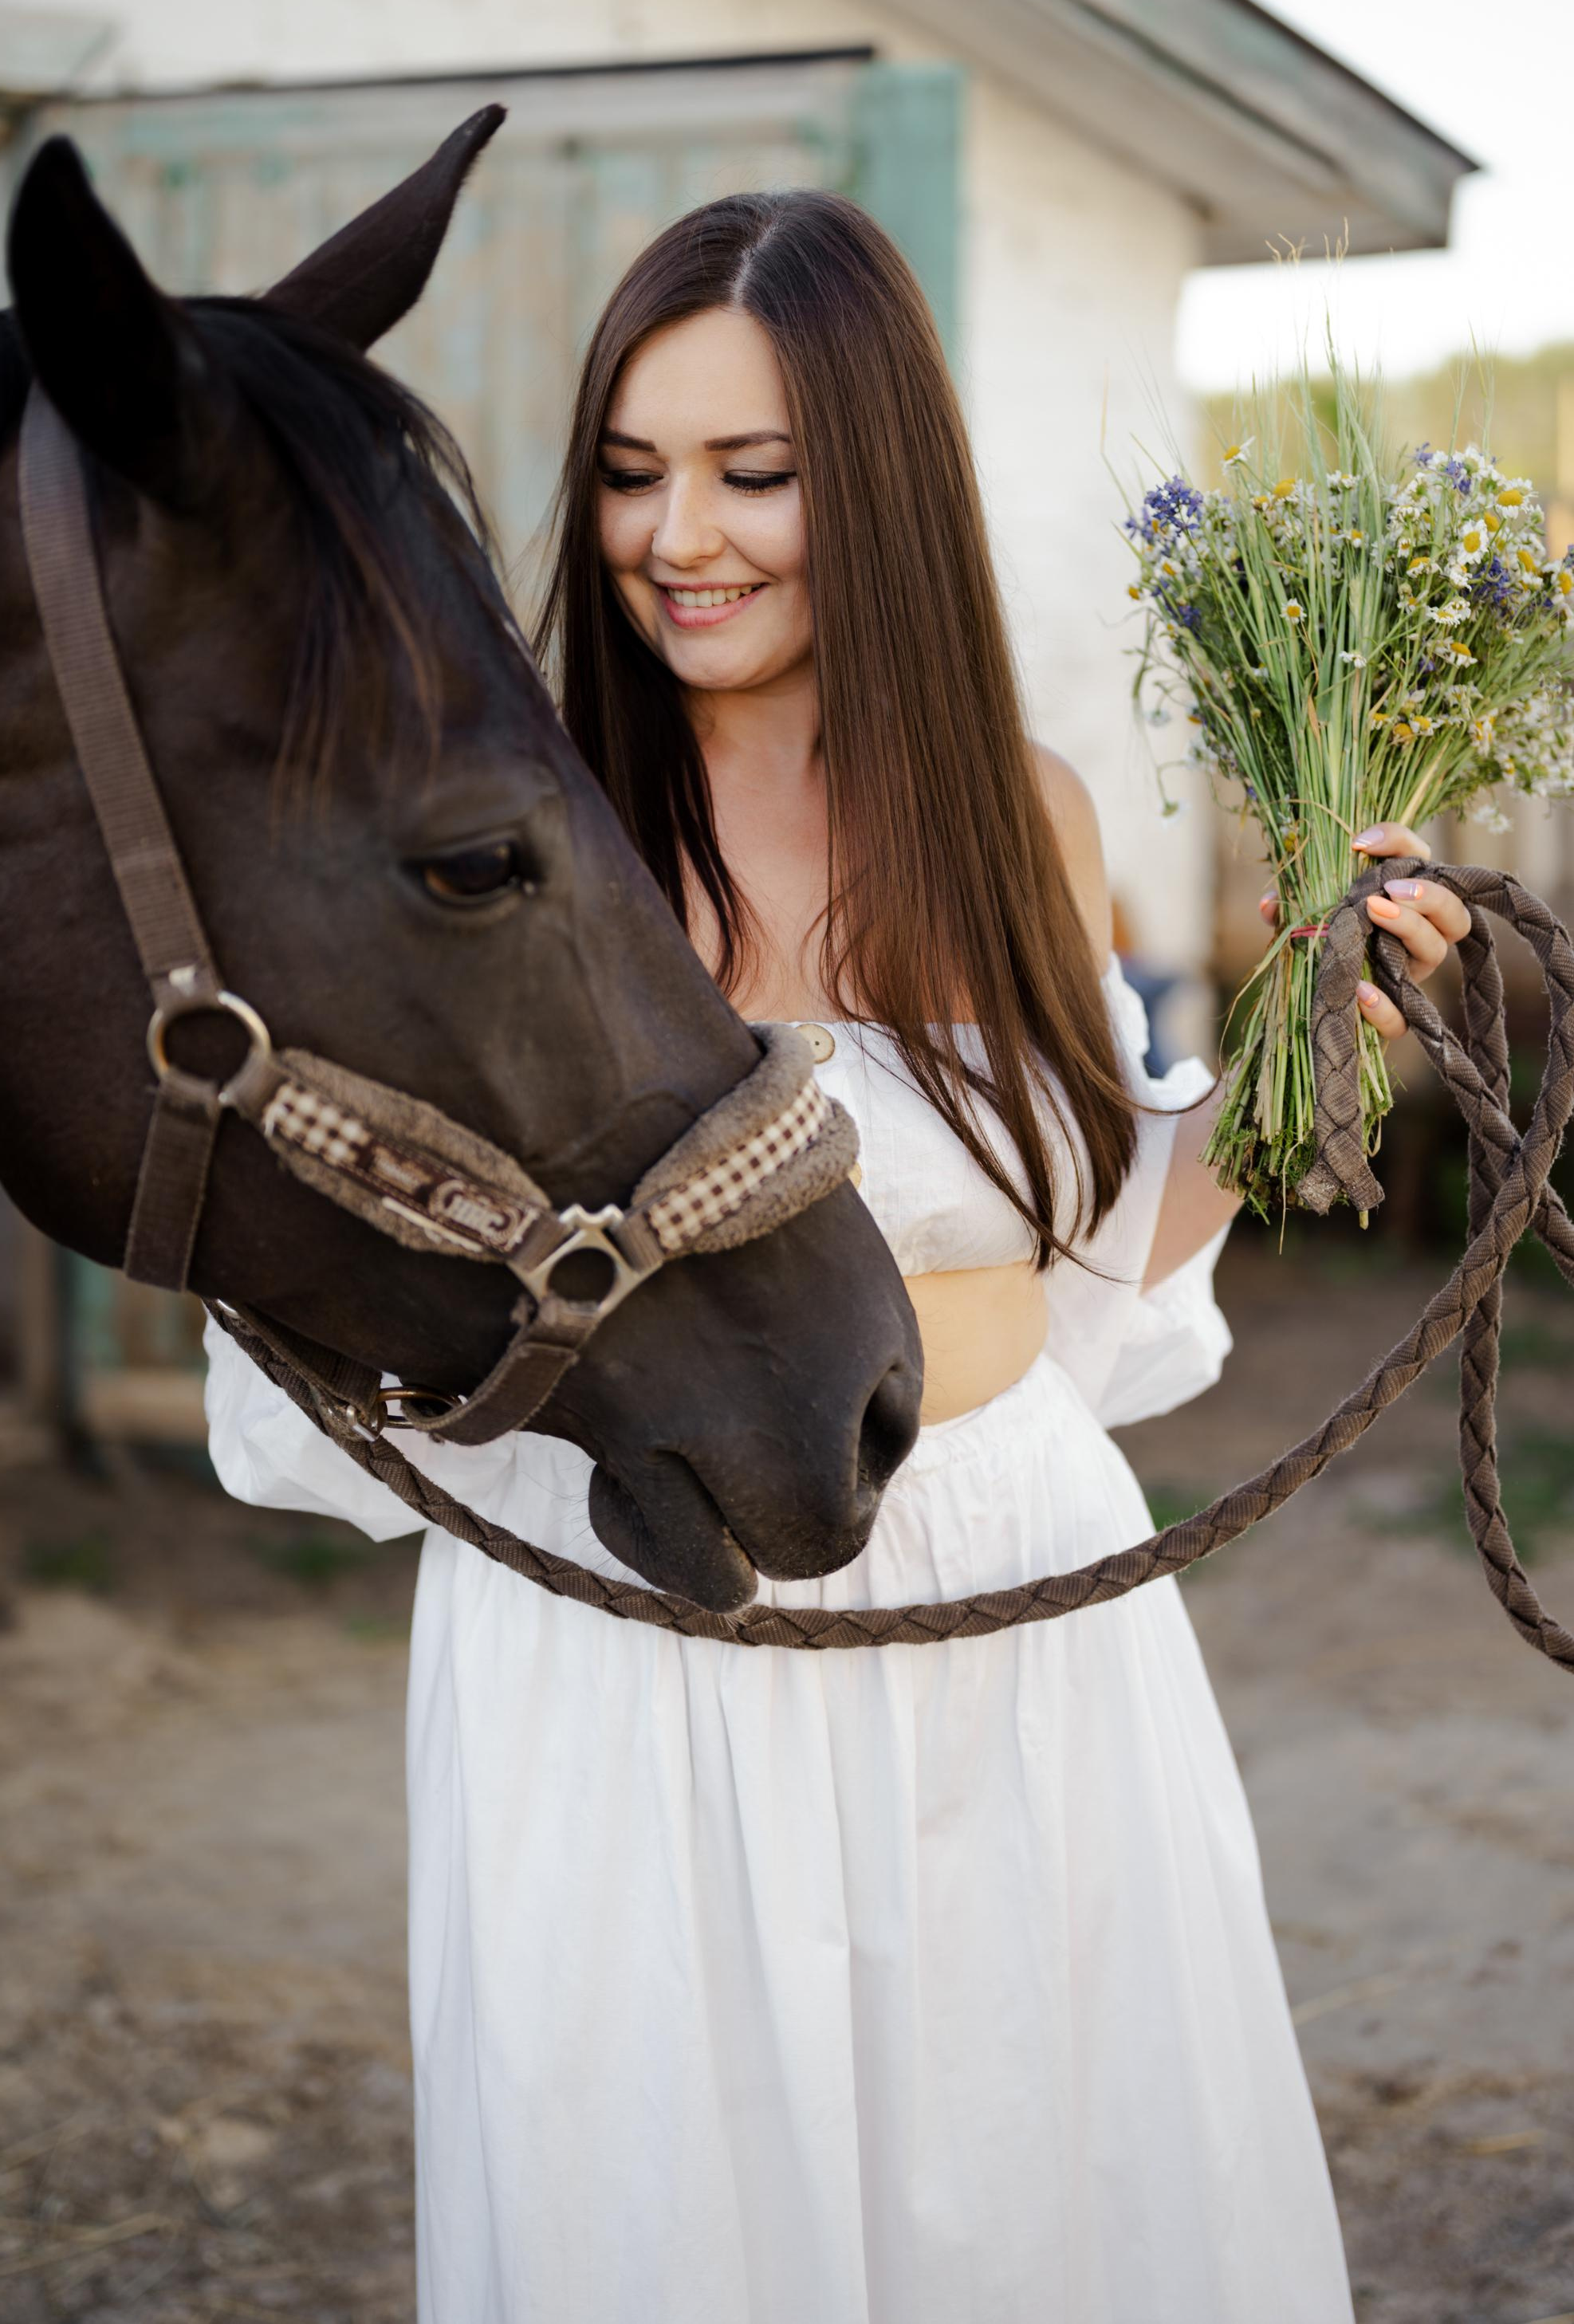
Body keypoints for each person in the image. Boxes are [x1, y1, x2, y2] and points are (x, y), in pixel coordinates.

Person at [203, 191, 1469, 2322]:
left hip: (1007, 1591)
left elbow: (1089, 1265)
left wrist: (1311, 1042)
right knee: (669, 2207)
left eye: (751, 473)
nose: (674, 532)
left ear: (871, 477)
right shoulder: (518, 839)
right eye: (629, 470)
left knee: (1044, 2185)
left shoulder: (1019, 819)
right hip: (633, 1621)